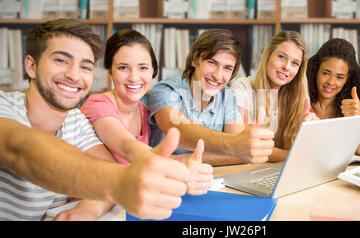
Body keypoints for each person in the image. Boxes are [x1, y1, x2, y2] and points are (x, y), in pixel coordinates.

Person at [0, 19, 193, 221]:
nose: (74, 75)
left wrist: (89, 209)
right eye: (61, 60)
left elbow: (113, 169)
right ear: (31, 66)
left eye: (85, 66)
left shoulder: (74, 119)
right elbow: (19, 148)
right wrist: (122, 182)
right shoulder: (4, 105)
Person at [80, 30, 213, 197]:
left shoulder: (146, 112)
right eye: (123, 68)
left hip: (127, 199)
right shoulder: (97, 104)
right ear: (110, 71)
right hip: (92, 201)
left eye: (143, 68)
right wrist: (179, 172)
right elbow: (127, 147)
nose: (134, 77)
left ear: (153, 71)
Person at [148, 29, 274, 166]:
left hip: (207, 178)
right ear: (195, 60)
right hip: (165, 178)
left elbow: (241, 153)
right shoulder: (165, 90)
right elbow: (181, 132)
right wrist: (235, 146)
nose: (218, 76)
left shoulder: (227, 95)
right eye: (212, 62)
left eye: (227, 68)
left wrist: (184, 159)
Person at [230, 30, 318, 162]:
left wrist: (305, 132)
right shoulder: (242, 88)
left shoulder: (299, 97)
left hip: (278, 171)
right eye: (281, 57)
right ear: (268, 55)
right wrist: (295, 157)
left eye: (295, 63)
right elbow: (243, 147)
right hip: (246, 170)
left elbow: (310, 151)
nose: (286, 67)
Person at [307, 38, 360, 155]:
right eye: (326, 73)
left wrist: (359, 118)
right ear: (317, 70)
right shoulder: (301, 100)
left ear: (347, 78)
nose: (331, 82)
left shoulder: (353, 105)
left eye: (340, 77)